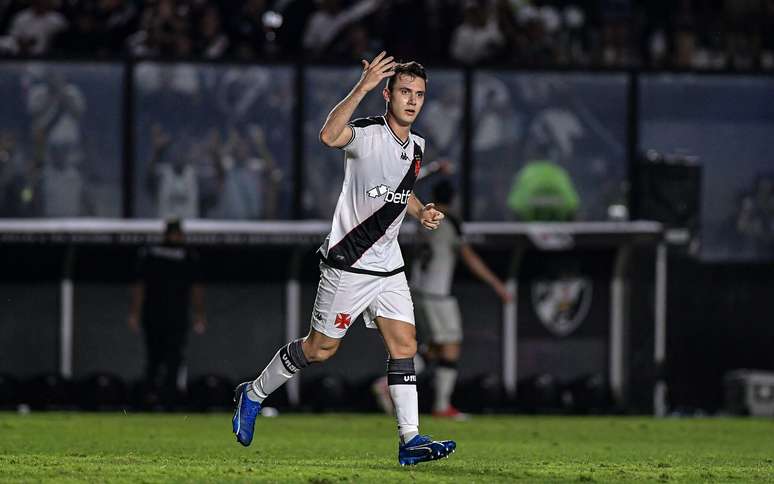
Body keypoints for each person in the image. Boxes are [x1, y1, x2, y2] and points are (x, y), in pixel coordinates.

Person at [232, 53, 456, 466]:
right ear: (388, 94)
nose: (412, 100)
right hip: (349, 262)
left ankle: (410, 441)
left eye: (419, 95)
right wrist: (362, 86)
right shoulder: (368, 133)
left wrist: (421, 210)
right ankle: (253, 393)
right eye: (404, 92)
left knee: (405, 344)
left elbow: (399, 191)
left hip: (389, 265)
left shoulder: (418, 146)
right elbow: (328, 136)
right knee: (320, 350)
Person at [411, 179, 512, 418]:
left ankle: (391, 383)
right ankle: (441, 405)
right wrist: (498, 286)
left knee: (435, 348)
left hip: (417, 289)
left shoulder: (422, 218)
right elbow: (469, 257)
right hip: (437, 294)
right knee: (451, 345)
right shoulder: (450, 221)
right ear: (453, 199)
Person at [129, 219, 206, 408]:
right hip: (163, 316)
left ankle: (164, 399)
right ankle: (156, 399)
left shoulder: (152, 253)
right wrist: (135, 313)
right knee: (159, 359)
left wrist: (198, 313)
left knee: (167, 359)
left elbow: (196, 287)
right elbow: (140, 286)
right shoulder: (186, 254)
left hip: (167, 316)